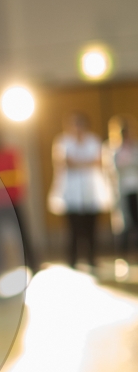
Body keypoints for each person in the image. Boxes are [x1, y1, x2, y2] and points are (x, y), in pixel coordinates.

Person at [48, 112, 110, 269]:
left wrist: (79, 163)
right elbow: (66, 162)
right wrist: (85, 163)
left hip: (91, 191)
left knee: (91, 227)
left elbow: (98, 162)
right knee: (73, 229)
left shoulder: (93, 140)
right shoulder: (63, 142)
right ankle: (73, 260)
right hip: (71, 193)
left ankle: (91, 258)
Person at [0, 128, 37, 276]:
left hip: (13, 200)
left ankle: (32, 263)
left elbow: (19, 174)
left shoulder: (11, 153)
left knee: (22, 234)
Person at [105, 116, 138, 257]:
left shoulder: (135, 148)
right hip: (121, 190)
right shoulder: (112, 149)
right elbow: (111, 169)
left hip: (135, 188)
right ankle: (123, 253)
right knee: (123, 222)